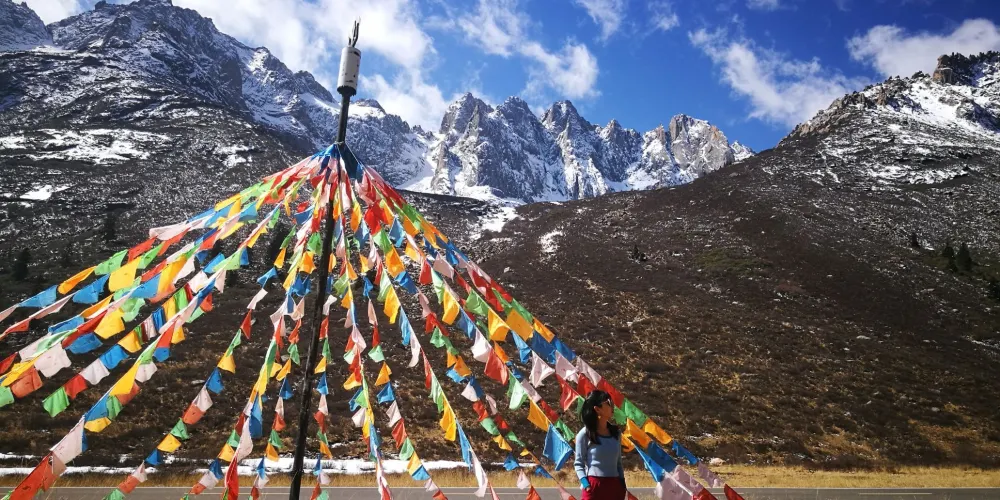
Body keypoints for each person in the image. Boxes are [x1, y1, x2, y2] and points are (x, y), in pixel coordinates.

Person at [574, 390, 626, 500]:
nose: (612, 406)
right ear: (597, 409)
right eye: (608, 403)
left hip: (615, 487)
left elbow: (618, 463)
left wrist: (622, 484)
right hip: (594, 487)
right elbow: (578, 464)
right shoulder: (584, 434)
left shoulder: (616, 433)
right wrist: (586, 485)